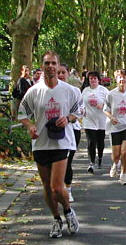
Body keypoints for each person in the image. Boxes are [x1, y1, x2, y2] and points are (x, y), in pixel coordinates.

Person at [18, 51, 80, 238]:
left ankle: (68, 211)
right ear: (42, 66)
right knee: (46, 186)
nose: (51, 66)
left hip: (62, 142)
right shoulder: (34, 91)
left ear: (58, 65)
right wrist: (30, 126)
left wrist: (68, 118)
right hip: (40, 143)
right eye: (47, 63)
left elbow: (80, 110)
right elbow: (22, 114)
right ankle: (56, 219)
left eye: (54, 63)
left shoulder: (69, 90)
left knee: (56, 187)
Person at [104, 69, 126, 185]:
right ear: (116, 79)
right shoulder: (111, 94)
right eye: (119, 77)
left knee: (124, 152)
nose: (122, 79)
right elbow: (106, 110)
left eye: (124, 77)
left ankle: (124, 176)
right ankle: (115, 163)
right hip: (115, 126)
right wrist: (111, 117)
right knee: (116, 155)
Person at [57, 64, 82, 202]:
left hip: (72, 130)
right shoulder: (50, 90)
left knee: (67, 161)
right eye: (58, 72)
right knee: (56, 161)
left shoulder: (75, 91)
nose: (60, 75)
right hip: (53, 132)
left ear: (68, 74)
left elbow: (81, 109)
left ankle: (68, 189)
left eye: (63, 72)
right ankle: (57, 187)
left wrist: (70, 118)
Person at [82, 71, 109, 173]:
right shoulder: (85, 91)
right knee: (91, 142)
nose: (93, 80)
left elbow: (109, 103)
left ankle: (100, 158)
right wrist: (82, 111)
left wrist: (103, 106)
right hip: (88, 119)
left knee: (100, 142)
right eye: (91, 79)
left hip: (101, 120)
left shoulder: (104, 90)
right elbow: (81, 103)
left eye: (94, 78)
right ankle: (91, 163)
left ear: (98, 80)